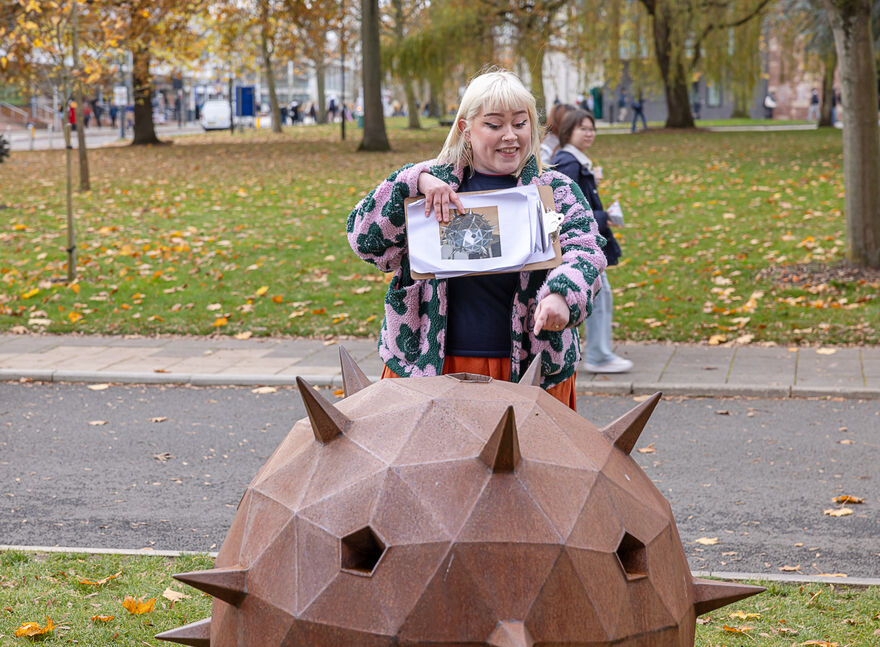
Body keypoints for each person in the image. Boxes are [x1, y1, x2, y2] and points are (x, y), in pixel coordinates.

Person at [347, 69, 608, 410]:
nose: (510, 136)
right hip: (429, 367)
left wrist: (562, 296)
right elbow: (364, 239)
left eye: (520, 123)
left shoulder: (555, 190)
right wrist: (413, 184)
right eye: (494, 124)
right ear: (465, 130)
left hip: (532, 370)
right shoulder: (428, 185)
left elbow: (586, 251)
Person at [552, 109, 631, 374]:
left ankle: (599, 352)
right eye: (583, 129)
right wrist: (603, 216)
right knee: (599, 296)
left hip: (587, 241)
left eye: (592, 128)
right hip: (582, 245)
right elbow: (567, 208)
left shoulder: (574, 161)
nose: (589, 134)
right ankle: (598, 355)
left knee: (601, 295)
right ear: (568, 132)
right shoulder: (569, 163)